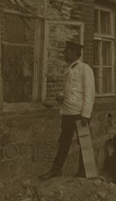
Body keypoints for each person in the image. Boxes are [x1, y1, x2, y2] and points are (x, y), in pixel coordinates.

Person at [39, 40, 95, 180]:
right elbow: (71, 90)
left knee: (84, 143)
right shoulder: (69, 69)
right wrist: (61, 95)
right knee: (63, 142)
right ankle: (56, 169)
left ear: (76, 53)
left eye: (68, 51)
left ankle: (85, 172)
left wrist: (85, 115)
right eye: (65, 51)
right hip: (68, 113)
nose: (65, 54)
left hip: (79, 114)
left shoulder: (85, 69)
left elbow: (89, 93)